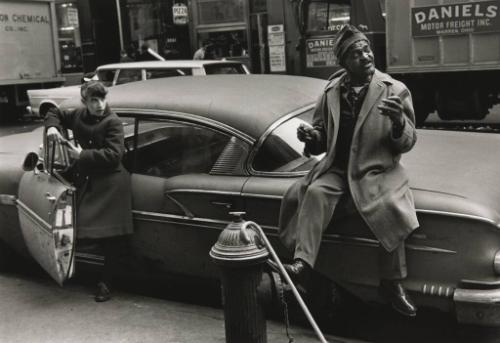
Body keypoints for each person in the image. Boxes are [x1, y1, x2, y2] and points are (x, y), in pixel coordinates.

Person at [279, 25, 419, 317]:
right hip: (338, 168)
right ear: (343, 62)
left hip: (377, 170)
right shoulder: (330, 92)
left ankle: (392, 283)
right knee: (314, 193)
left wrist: (397, 123)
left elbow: (407, 142)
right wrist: (312, 138)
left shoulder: (394, 90)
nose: (366, 56)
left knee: (390, 208)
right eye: (356, 54)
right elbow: (321, 136)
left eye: (367, 49)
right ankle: (303, 265)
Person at [45, 81, 133, 302]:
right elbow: (54, 112)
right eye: (94, 100)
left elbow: (114, 155)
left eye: (102, 99)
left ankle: (106, 282)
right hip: (90, 181)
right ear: (85, 102)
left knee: (111, 239)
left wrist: (81, 155)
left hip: (112, 184)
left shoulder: (113, 122)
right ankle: (72, 270)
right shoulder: (78, 115)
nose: (100, 105)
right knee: (80, 229)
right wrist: (53, 127)